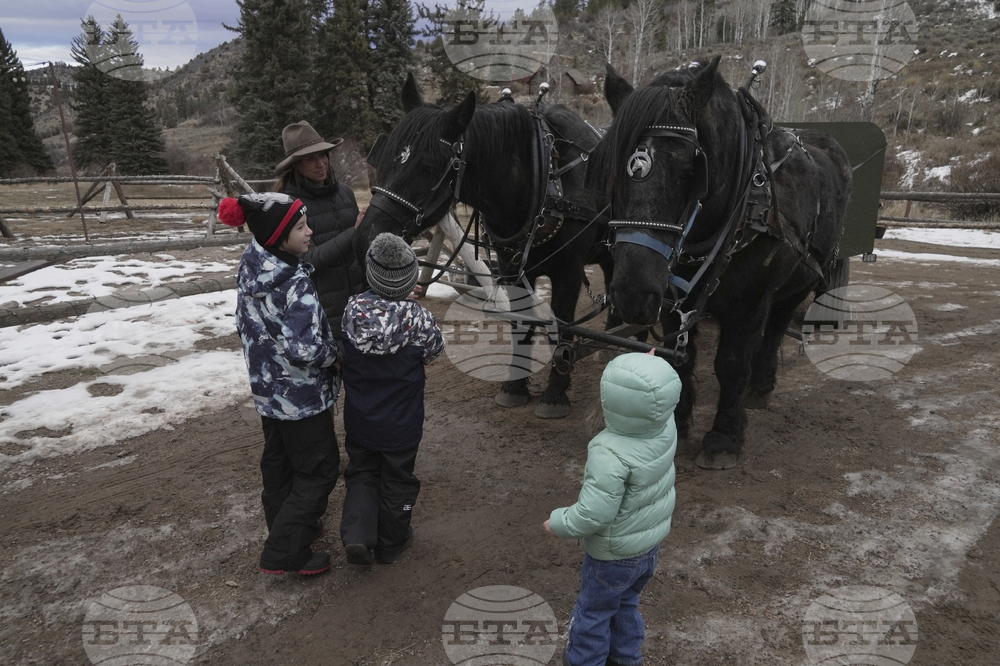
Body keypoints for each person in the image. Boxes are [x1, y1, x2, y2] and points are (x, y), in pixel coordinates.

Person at [218, 192, 341, 576]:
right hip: (302, 396)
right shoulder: (293, 283)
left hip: (268, 390)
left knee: (280, 462)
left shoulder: (255, 262)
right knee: (318, 469)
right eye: (300, 227)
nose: (310, 232)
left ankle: (288, 524)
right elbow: (305, 348)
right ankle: (288, 552)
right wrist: (335, 358)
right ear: (278, 234)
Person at [544, 351, 681, 666]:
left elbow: (595, 513)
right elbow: (654, 399)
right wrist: (649, 370)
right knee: (627, 602)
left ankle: (585, 661)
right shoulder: (664, 426)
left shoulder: (609, 452)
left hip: (612, 556)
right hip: (647, 548)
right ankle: (626, 658)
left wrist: (560, 522)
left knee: (593, 611)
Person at [339, 232, 445, 565]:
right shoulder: (420, 319)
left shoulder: (353, 309)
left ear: (370, 274)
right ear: (410, 278)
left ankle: (357, 533)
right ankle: (391, 542)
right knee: (398, 479)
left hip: (360, 418)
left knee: (362, 471)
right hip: (402, 423)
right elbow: (434, 351)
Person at [274, 120, 366, 337]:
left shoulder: (345, 192)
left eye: (323, 155)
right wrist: (354, 232)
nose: (321, 163)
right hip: (321, 312)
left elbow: (360, 252)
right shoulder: (288, 204)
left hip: (360, 304)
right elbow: (309, 260)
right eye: (311, 159)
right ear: (296, 165)